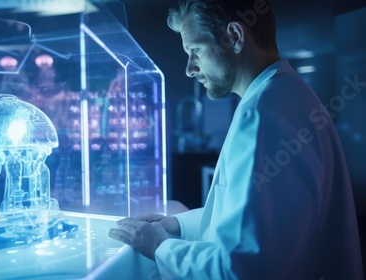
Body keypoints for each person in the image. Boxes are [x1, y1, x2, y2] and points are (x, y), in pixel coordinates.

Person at [108, 0, 364, 279]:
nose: (190, 68)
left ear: (234, 37)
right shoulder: (284, 95)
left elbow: (240, 270)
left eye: (195, 50)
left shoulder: (264, 114)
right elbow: (259, 217)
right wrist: (176, 226)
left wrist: (159, 246)